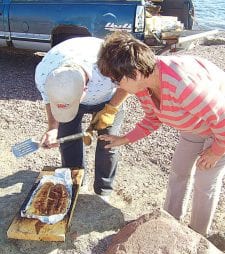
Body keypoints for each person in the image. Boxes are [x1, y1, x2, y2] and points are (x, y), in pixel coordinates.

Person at [97, 31, 225, 236]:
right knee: (178, 171)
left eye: (116, 80)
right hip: (195, 125)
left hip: (221, 129)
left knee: (205, 180)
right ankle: (170, 224)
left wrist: (217, 151)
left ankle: (198, 236)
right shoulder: (142, 84)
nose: (116, 86)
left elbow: (222, 119)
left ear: (135, 73)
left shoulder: (185, 86)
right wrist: (125, 138)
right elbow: (153, 118)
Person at [35, 36, 129, 202]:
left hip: (109, 98)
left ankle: (103, 192)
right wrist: (52, 128)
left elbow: (129, 83)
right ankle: (75, 183)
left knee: (108, 143)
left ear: (85, 88)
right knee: (67, 140)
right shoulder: (45, 73)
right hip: (68, 97)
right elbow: (49, 100)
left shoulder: (109, 63)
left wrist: (111, 109)